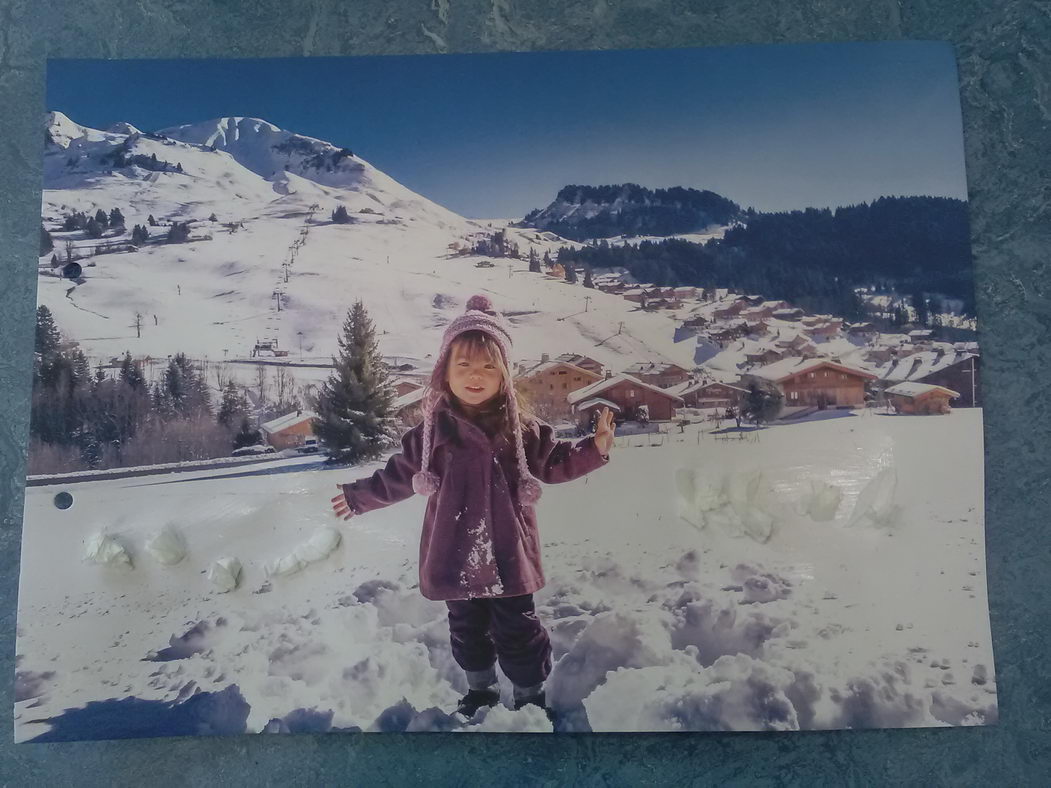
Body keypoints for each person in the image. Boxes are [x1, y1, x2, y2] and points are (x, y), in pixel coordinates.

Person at [330, 295, 615, 720]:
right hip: (453, 552)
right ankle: (480, 690)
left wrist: (593, 450)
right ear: (445, 371)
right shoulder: (432, 433)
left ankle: (528, 693)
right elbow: (397, 476)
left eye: (487, 367)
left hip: (508, 553)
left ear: (504, 374)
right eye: (463, 366)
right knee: (466, 627)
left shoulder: (522, 428)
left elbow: (554, 465)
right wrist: (359, 497)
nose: (475, 376)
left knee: (518, 626)